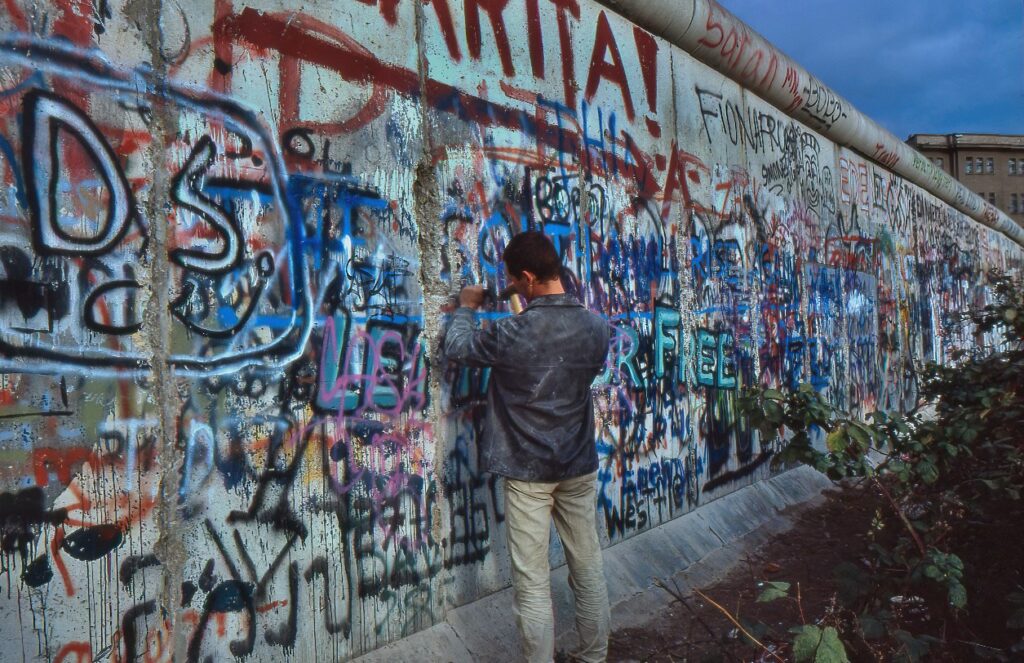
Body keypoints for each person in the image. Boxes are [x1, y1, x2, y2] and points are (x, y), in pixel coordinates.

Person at [444, 231, 611, 663]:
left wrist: (466, 307)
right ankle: (594, 657)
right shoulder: (597, 328)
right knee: (588, 567)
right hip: (578, 466)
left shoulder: (513, 333)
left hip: (528, 472)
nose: (511, 286)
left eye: (514, 280)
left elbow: (458, 347)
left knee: (533, 584)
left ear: (529, 277)